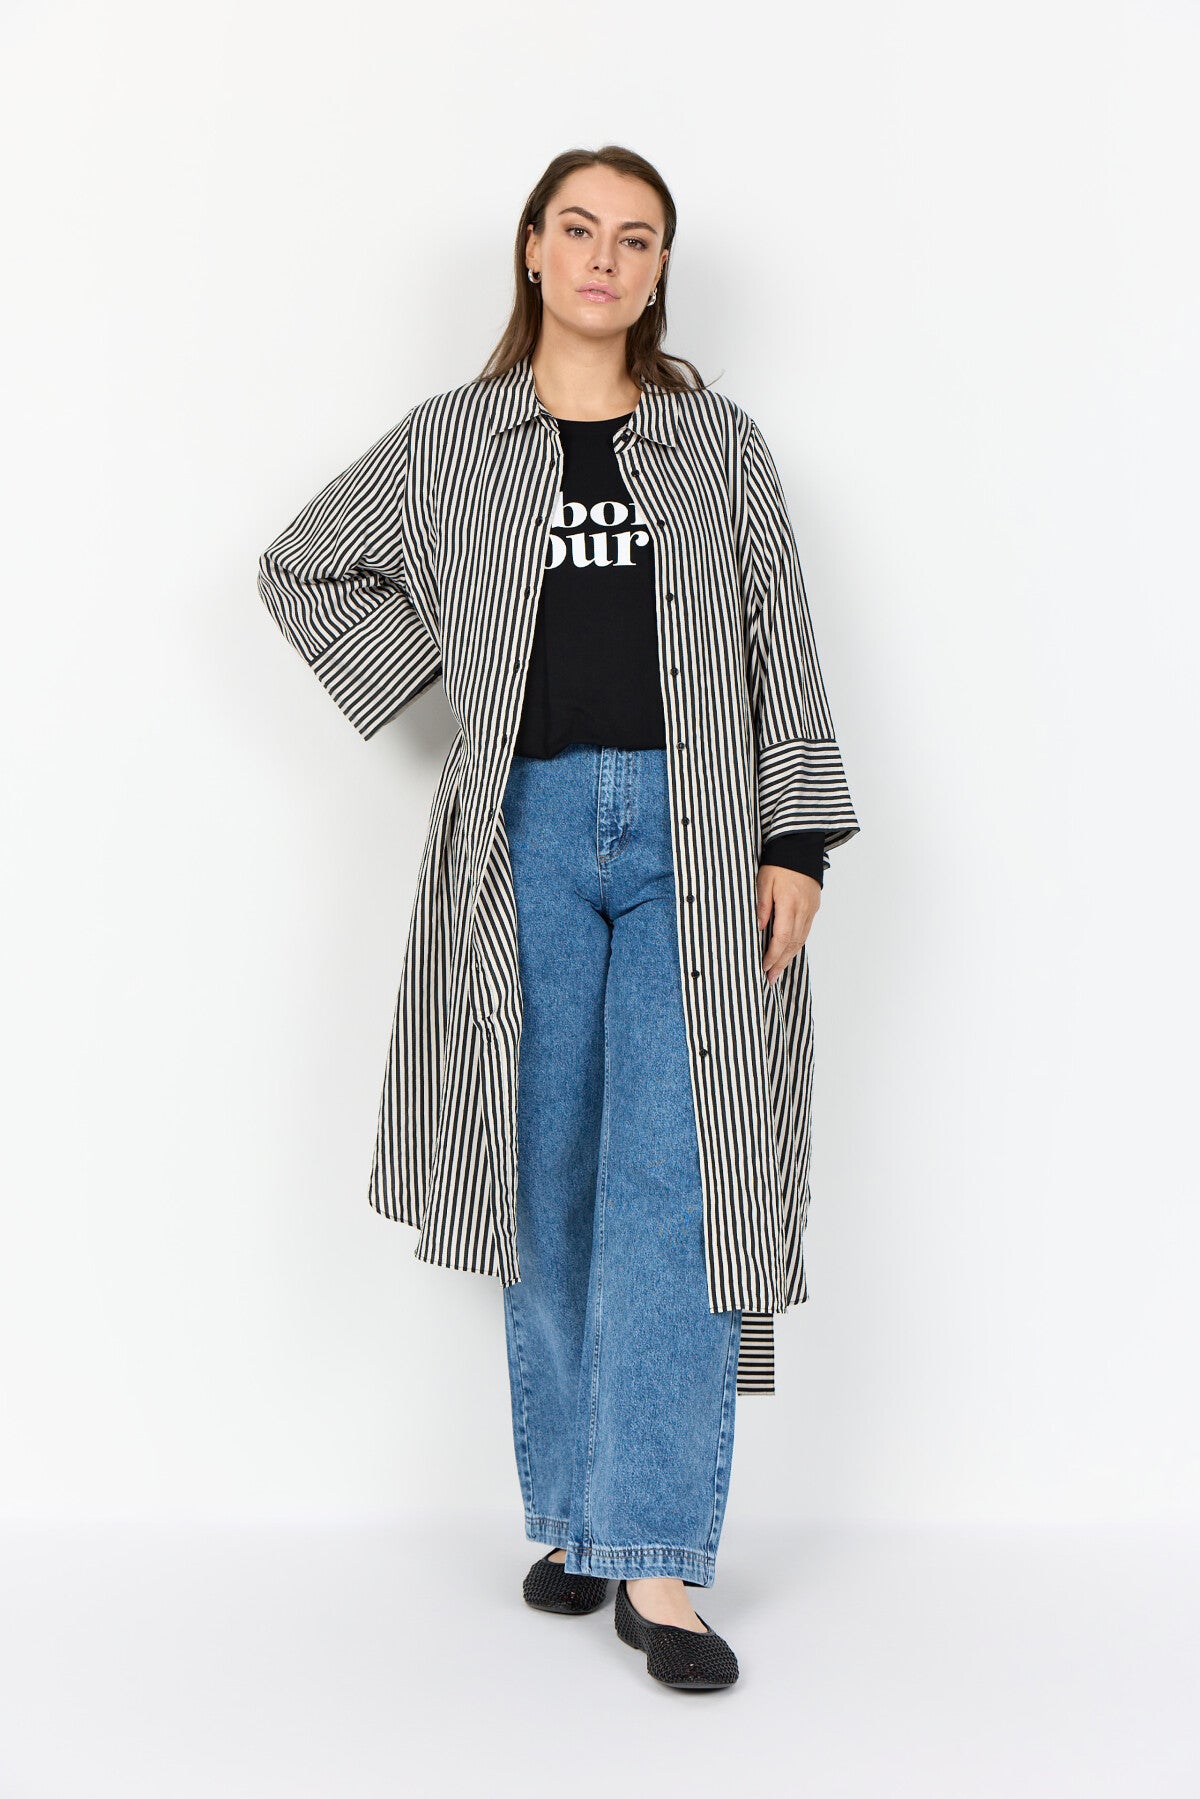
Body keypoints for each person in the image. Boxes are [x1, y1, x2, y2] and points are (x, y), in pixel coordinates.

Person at [257, 144, 860, 1692]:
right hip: (521, 831)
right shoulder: (451, 442)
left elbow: (780, 637)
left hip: (700, 836)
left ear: (660, 273)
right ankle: (581, 1520)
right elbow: (303, 569)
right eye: (579, 228)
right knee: (546, 1177)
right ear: (533, 250)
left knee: (681, 1180)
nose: (605, 256)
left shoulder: (716, 445)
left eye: (637, 238)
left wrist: (797, 839)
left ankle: (653, 1561)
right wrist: (456, 693)